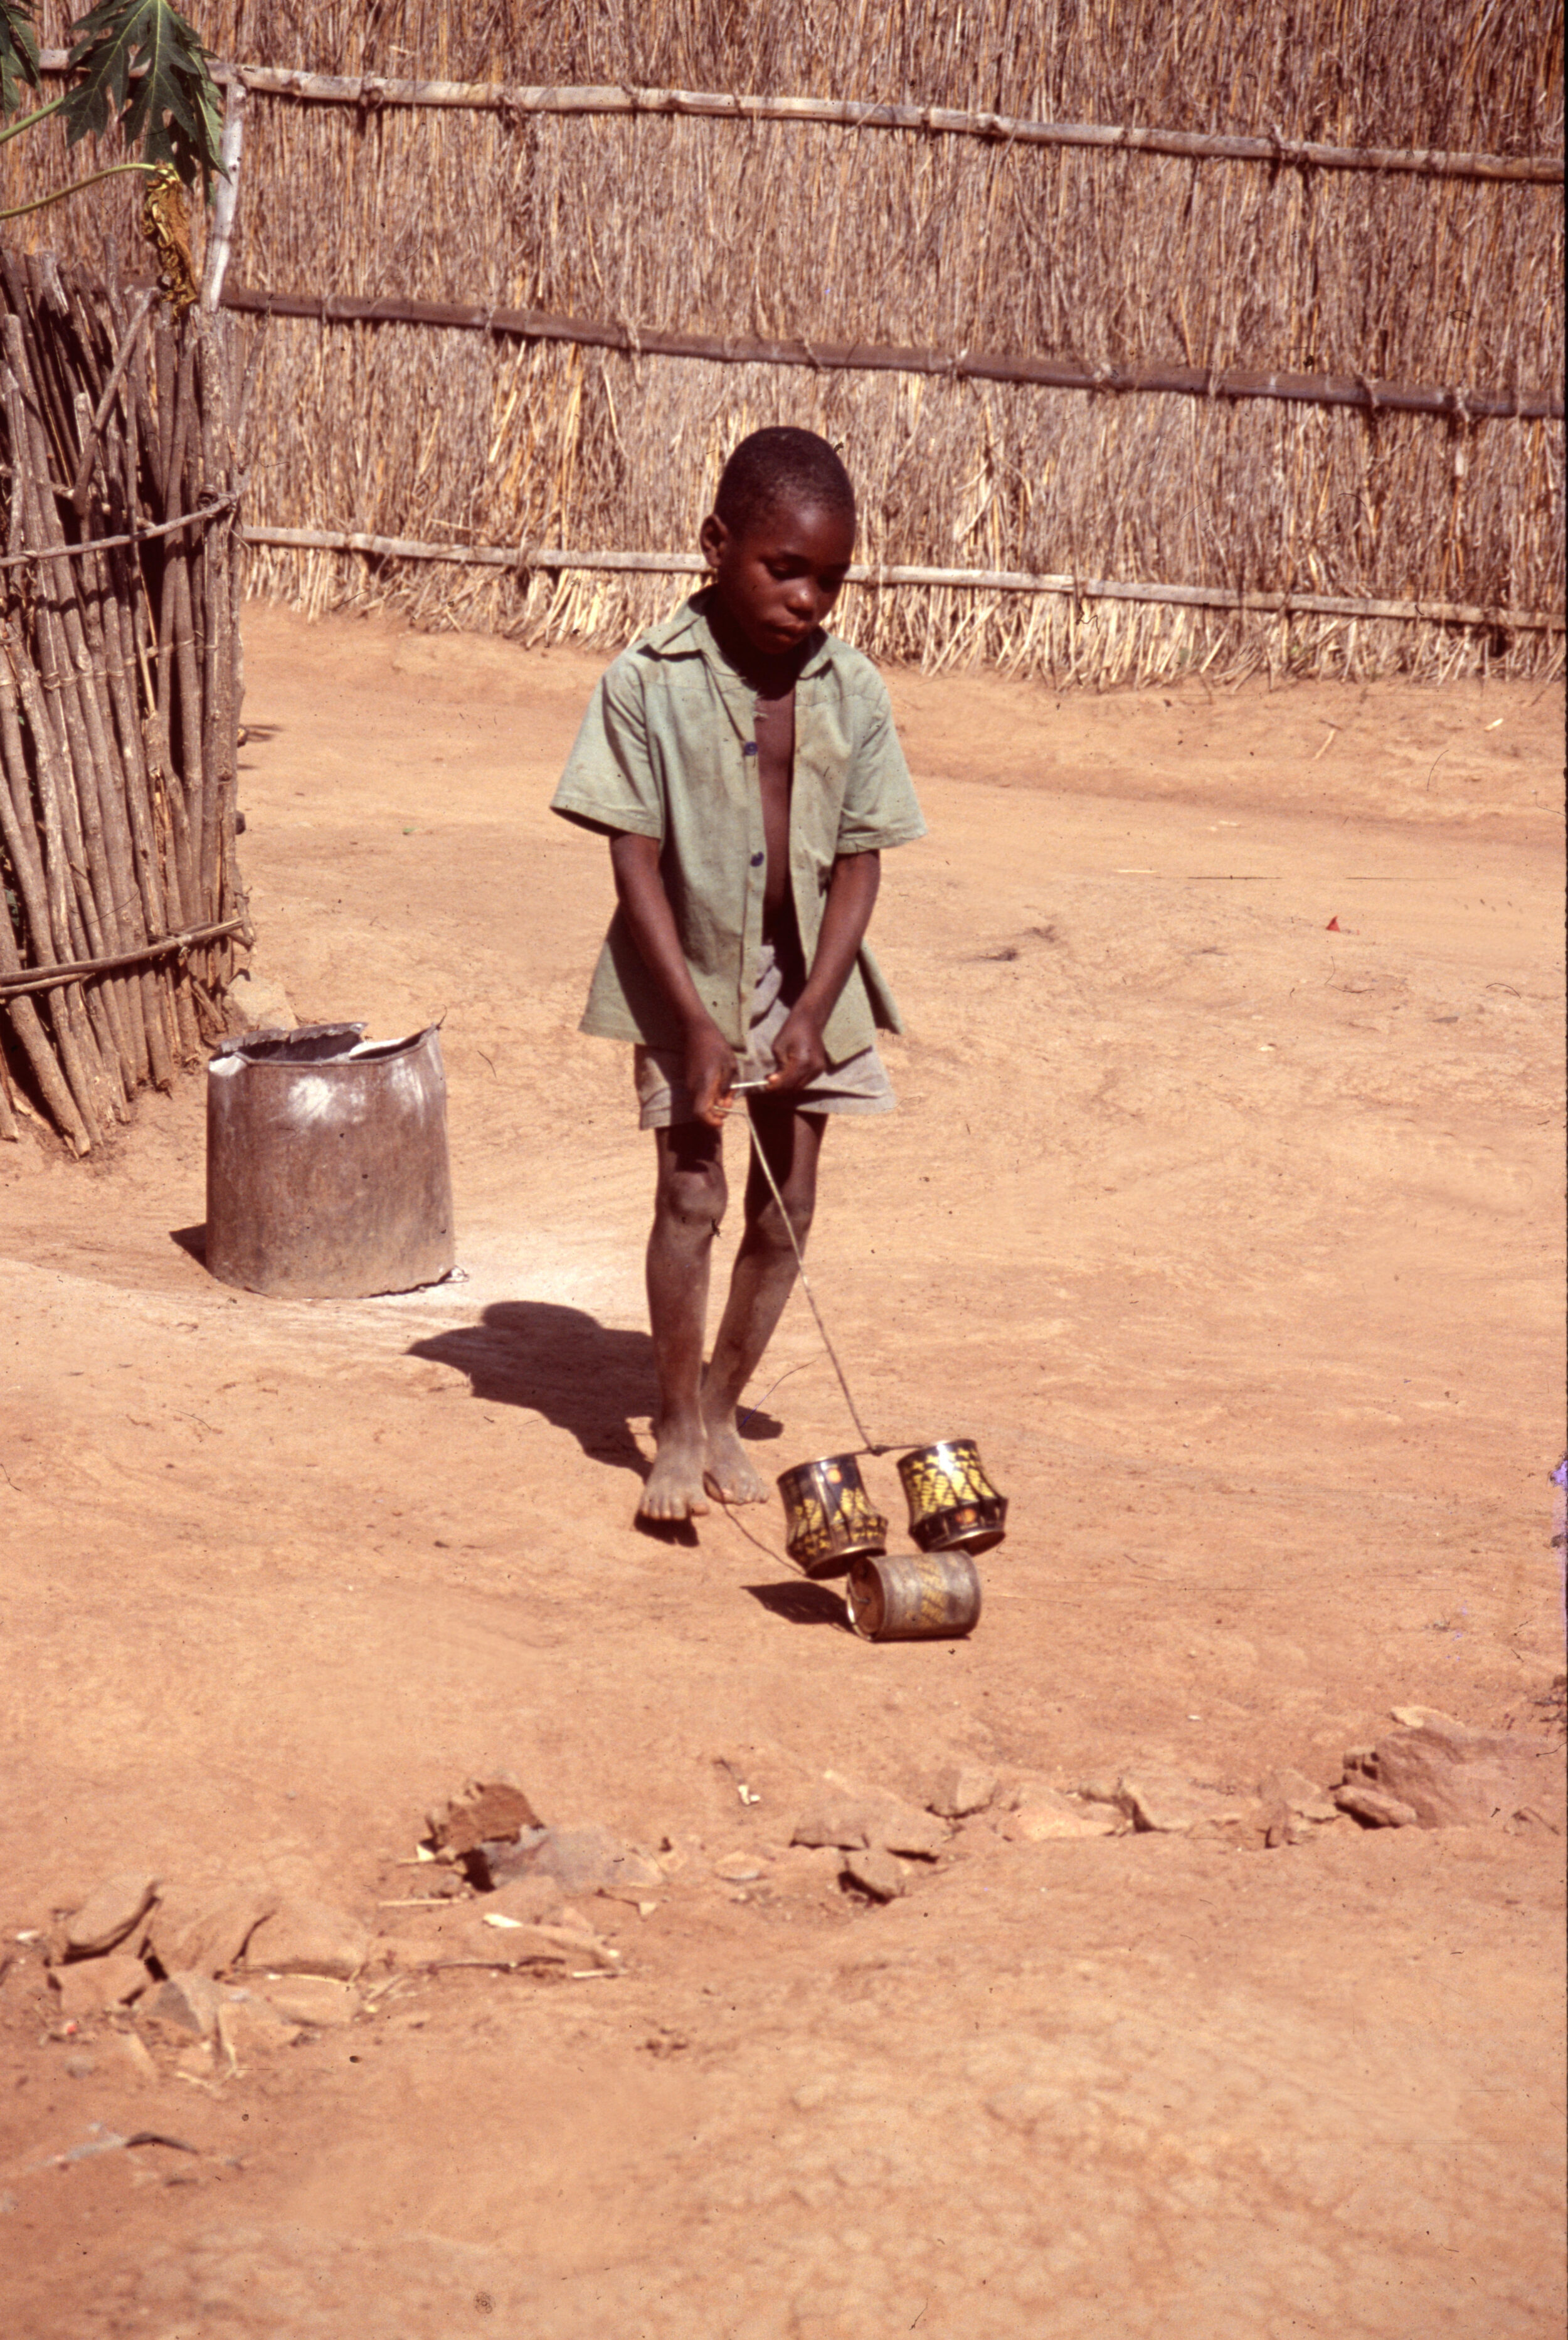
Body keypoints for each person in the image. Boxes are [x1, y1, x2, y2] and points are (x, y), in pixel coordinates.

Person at [550, 427, 926, 1521]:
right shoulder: (644, 684)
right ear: (718, 544)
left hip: (813, 976)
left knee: (788, 1205)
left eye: (833, 579)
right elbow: (635, 861)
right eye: (785, 568)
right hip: (682, 969)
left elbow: (860, 865)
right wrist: (698, 1023)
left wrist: (813, 1009)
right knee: (691, 1189)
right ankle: (671, 1427)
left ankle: (721, 1407)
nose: (812, 599)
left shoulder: (852, 692)